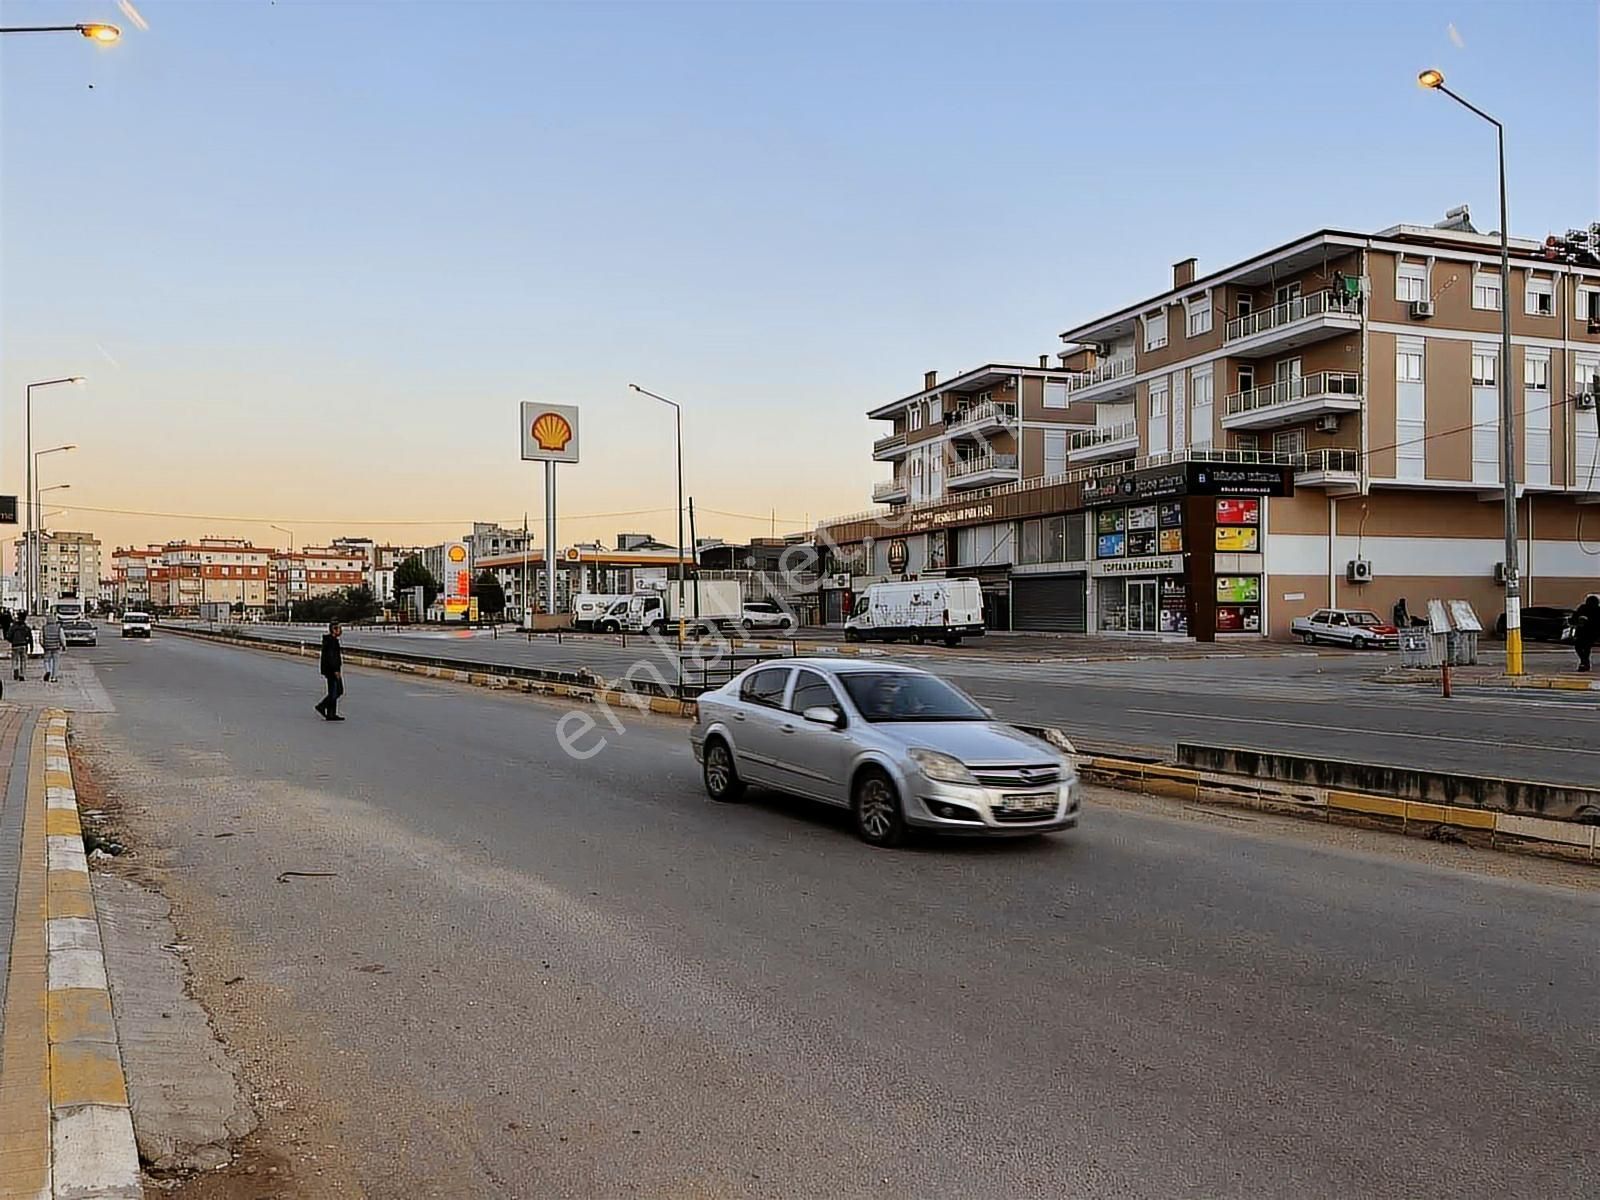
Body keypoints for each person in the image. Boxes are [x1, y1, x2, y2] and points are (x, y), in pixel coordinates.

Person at [314, 620, 345, 720]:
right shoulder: (331, 642)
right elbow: (332, 657)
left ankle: (331, 713)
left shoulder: (332, 640)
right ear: (333, 630)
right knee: (337, 691)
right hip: (332, 670)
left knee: (335, 691)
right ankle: (322, 706)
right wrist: (336, 670)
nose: (341, 631)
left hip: (330, 669)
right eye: (339, 629)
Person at [1571, 594, 1600, 673]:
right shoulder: (1583, 608)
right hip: (1588, 632)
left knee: (1582, 647)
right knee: (1583, 648)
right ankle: (1585, 662)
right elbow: (1574, 618)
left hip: (1588, 632)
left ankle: (1584, 663)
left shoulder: (1594, 610)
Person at [7, 614, 33, 682]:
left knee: (15, 659)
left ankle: (15, 668)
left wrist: (12, 641)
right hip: (24, 645)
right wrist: (31, 646)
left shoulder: (13, 627)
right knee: (23, 661)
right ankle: (22, 675)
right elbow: (30, 637)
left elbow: (8, 636)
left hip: (15, 645)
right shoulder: (26, 627)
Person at [40, 614, 65, 683]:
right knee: (56, 662)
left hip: (47, 647)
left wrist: (43, 645)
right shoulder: (59, 628)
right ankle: (54, 677)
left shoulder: (44, 628)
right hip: (56, 647)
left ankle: (48, 670)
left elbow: (41, 638)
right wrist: (63, 646)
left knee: (46, 660)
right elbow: (62, 638)